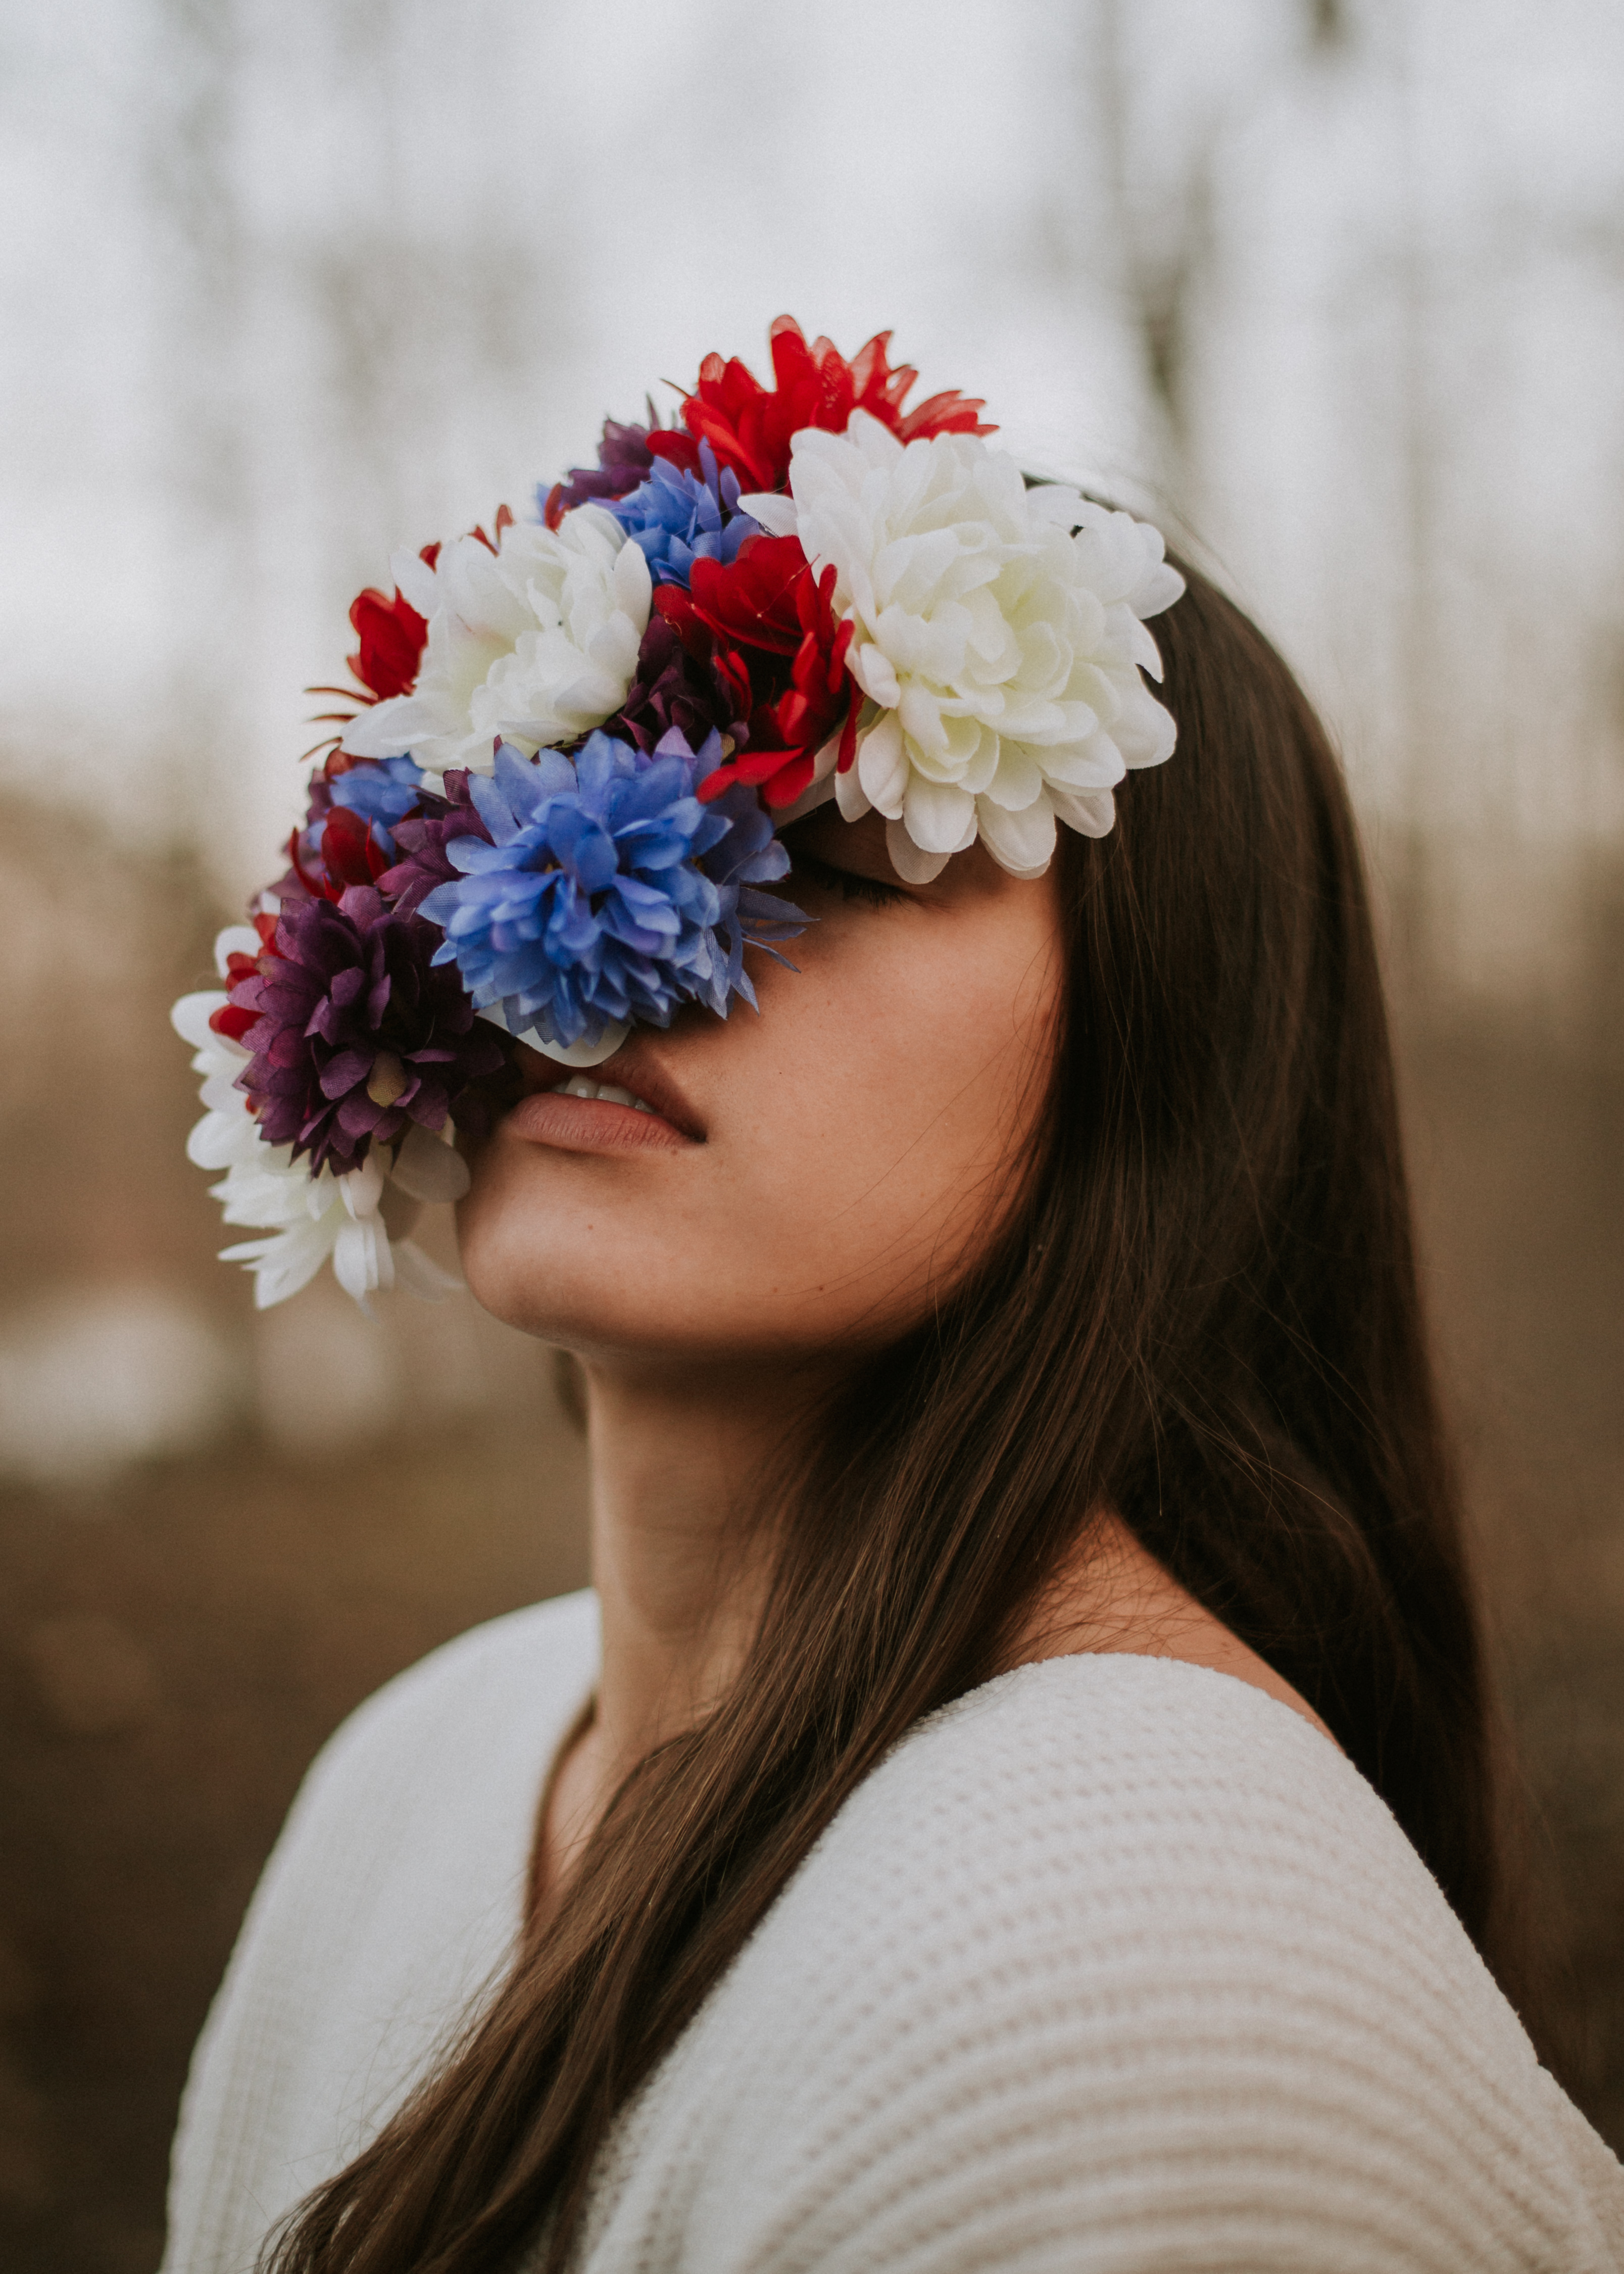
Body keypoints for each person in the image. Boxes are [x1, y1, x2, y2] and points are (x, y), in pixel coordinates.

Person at [162, 327, 1624, 2272]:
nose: (608, 930)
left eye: (838, 860)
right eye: (536, 814)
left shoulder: (1157, 2012)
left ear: (1157, 1055)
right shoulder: (421, 1766)